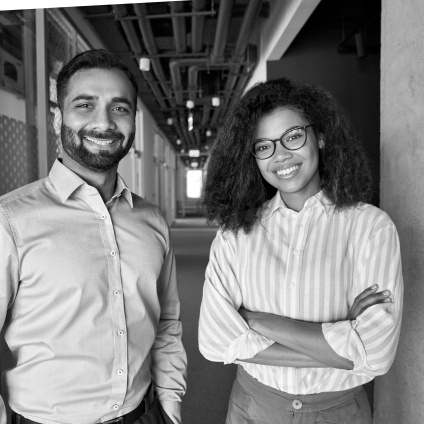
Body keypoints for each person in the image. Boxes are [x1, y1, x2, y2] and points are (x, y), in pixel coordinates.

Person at [198, 78, 403, 424]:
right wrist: (343, 338)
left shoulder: (371, 228)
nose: (280, 156)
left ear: (320, 137)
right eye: (263, 146)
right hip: (253, 408)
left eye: (293, 137)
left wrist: (254, 320)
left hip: (338, 413)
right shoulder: (236, 233)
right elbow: (214, 342)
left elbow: (377, 354)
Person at [0, 49, 186, 424]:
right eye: (85, 104)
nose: (104, 122)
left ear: (132, 122)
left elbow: (166, 322)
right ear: (57, 119)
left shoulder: (151, 220)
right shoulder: (10, 220)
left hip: (144, 415)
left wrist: (170, 406)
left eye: (119, 108)